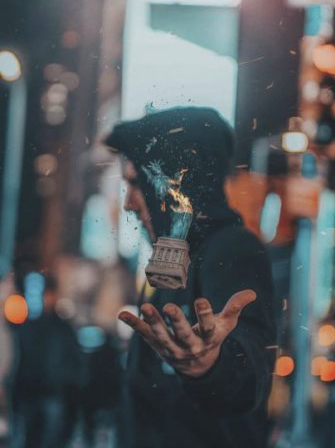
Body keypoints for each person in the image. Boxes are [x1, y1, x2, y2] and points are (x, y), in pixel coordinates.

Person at [106, 107, 275, 447]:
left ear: (172, 184)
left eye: (136, 183)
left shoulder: (231, 249)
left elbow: (249, 360)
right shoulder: (177, 257)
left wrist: (212, 366)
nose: (129, 204)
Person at [7, 276, 82, 448]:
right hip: (30, 394)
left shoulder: (63, 328)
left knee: (50, 439)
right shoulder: (27, 327)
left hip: (52, 393)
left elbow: (73, 361)